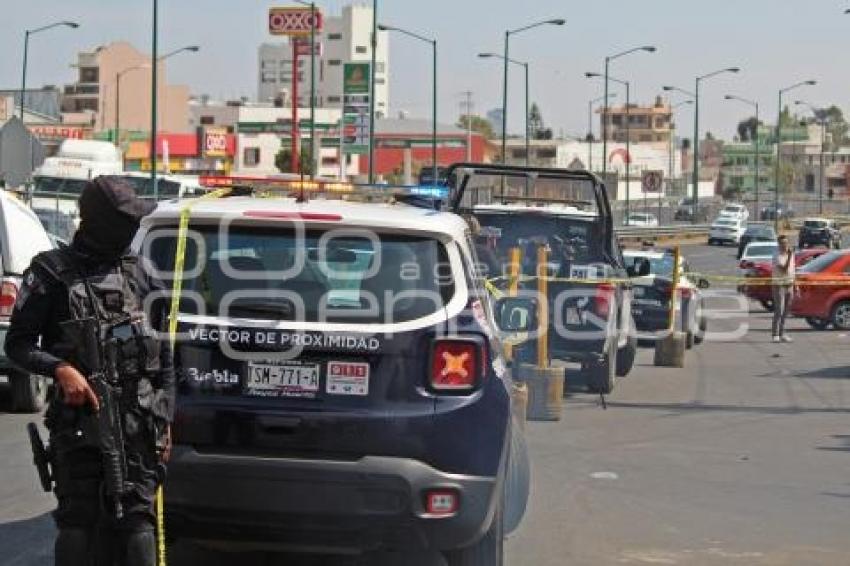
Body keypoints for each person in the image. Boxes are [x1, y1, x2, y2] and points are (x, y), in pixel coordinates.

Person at [5, 177, 174, 566]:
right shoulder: (50, 273)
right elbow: (18, 344)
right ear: (98, 221)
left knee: (138, 523)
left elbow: (165, 354)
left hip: (139, 424)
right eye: (124, 221)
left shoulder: (141, 273)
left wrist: (165, 419)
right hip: (79, 426)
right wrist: (60, 368)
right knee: (77, 522)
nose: (131, 230)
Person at [771, 235, 796, 343]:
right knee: (779, 310)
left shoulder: (791, 255)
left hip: (789, 284)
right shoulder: (777, 256)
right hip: (779, 285)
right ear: (778, 244)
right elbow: (784, 270)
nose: (784, 245)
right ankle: (775, 334)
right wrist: (790, 255)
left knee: (786, 311)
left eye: (786, 243)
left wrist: (796, 284)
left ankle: (782, 333)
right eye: (782, 243)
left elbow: (792, 270)